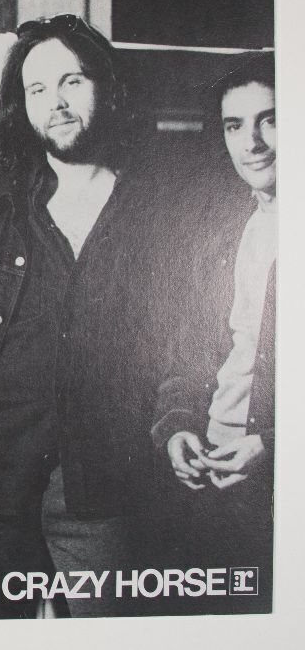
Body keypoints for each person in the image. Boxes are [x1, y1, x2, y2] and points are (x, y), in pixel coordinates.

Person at [0, 14, 167, 619]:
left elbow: (177, 343)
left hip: (100, 482)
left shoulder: (155, 210)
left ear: (107, 87)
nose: (55, 103)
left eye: (72, 82)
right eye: (37, 89)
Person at [151, 52, 275, 614]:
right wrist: (177, 425)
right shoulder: (226, 226)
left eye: (271, 119)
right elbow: (193, 346)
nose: (253, 143)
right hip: (210, 475)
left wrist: (273, 446)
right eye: (234, 126)